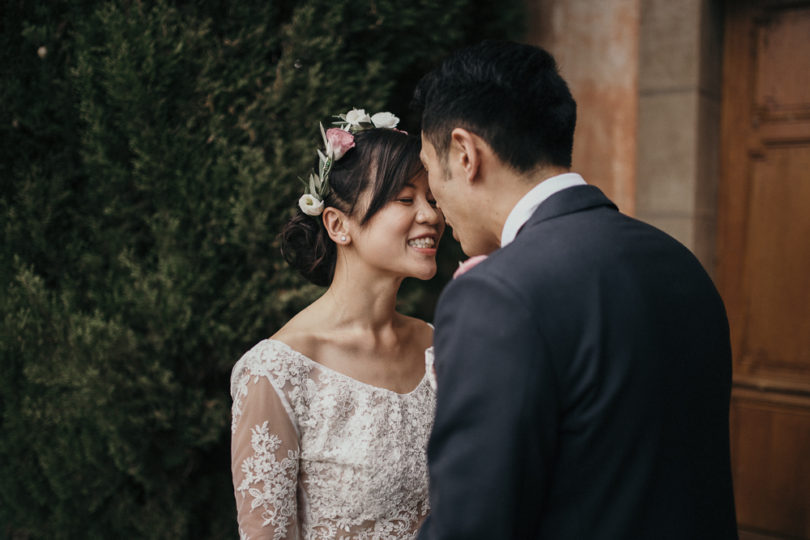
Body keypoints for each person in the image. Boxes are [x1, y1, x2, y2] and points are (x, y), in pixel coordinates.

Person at [413, 41, 738, 539]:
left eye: (430, 170)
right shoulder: (680, 263)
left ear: (464, 153)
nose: (434, 203)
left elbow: (472, 525)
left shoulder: (496, 293)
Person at [230, 109, 444, 539]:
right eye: (406, 199)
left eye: (433, 199)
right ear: (337, 224)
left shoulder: (437, 346)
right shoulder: (278, 372)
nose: (431, 216)